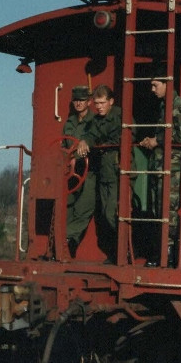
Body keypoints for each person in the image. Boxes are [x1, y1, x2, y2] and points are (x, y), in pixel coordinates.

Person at [138, 78, 181, 268]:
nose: (152, 89)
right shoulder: (164, 105)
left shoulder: (178, 105)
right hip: (160, 165)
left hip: (171, 167)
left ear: (167, 84)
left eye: (155, 85)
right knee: (160, 211)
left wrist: (157, 140)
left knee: (167, 212)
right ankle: (168, 254)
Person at [76, 84, 122, 264]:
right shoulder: (96, 120)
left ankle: (123, 252)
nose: (99, 107)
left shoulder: (120, 116)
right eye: (96, 103)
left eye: (102, 103)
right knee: (104, 213)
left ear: (111, 101)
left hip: (120, 173)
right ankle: (116, 253)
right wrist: (84, 141)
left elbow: (127, 135)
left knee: (112, 214)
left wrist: (99, 142)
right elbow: (91, 134)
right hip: (105, 173)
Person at [63, 86, 95, 258]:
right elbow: (64, 145)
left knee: (85, 206)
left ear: (89, 102)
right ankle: (68, 241)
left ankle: (67, 238)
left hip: (90, 171)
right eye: (75, 100)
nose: (78, 103)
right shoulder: (69, 123)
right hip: (71, 172)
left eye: (82, 100)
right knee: (67, 205)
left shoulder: (95, 121)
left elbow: (94, 142)